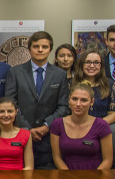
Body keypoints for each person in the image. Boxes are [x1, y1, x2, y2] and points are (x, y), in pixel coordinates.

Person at [5, 31, 69, 169]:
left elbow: (64, 106)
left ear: (50, 49)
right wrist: (28, 130)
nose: (40, 50)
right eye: (36, 46)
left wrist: (46, 125)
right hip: (20, 135)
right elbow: (10, 104)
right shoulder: (15, 72)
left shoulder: (60, 74)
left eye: (44, 47)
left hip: (49, 138)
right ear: (29, 49)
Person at [50, 83, 113, 170]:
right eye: (74, 99)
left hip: (95, 177)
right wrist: (68, 176)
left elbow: (108, 160)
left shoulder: (102, 125)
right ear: (69, 100)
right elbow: (57, 158)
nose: (78, 104)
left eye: (84, 100)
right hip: (66, 177)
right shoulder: (57, 124)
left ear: (92, 102)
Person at [72, 49, 115, 124]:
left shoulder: (110, 84)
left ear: (100, 66)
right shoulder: (73, 84)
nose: (92, 66)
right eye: (88, 62)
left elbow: (114, 114)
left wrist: (96, 126)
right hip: (77, 127)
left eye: (96, 62)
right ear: (81, 65)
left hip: (101, 128)